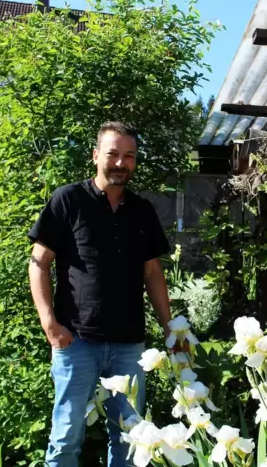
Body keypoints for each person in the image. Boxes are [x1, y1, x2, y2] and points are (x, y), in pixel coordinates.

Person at [28, 121, 172, 466]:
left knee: (128, 439)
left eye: (129, 156)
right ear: (96, 156)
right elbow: (38, 263)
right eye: (113, 154)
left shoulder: (142, 211)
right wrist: (49, 323)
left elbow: (152, 272)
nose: (120, 163)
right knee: (65, 438)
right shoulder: (68, 200)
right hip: (76, 342)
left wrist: (169, 326)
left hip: (129, 345)